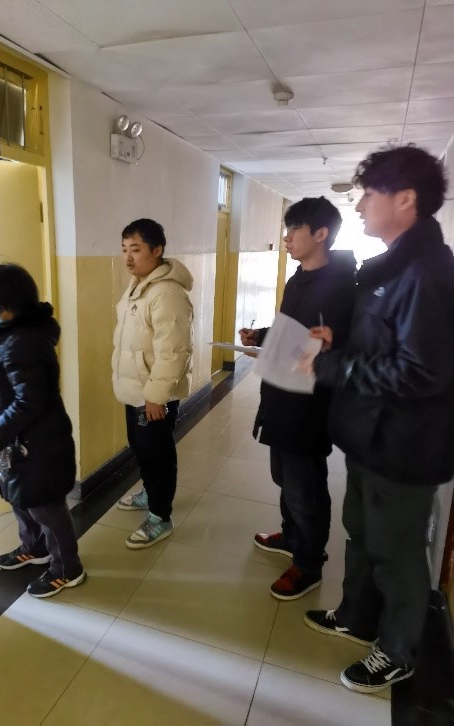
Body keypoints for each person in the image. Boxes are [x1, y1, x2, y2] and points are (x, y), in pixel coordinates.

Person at [303, 145, 454, 694]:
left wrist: (331, 365)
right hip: (371, 434)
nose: (361, 205)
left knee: (396, 551)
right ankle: (356, 616)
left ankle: (398, 650)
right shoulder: (394, 265)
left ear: (406, 199)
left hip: (404, 444)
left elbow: (421, 372)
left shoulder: (427, 273)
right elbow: (388, 344)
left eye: (369, 194)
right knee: (362, 532)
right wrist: (339, 340)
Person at [239, 197, 356, 600]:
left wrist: (328, 346)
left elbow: (340, 347)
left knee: (305, 485)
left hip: (309, 403)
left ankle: (308, 563)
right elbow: (294, 330)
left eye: (294, 230)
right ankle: (291, 537)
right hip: (280, 393)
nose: (287, 238)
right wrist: (263, 336)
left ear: (321, 234)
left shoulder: (342, 287)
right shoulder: (297, 279)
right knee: (285, 477)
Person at [0, 263, 85, 598]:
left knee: (45, 507)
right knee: (21, 499)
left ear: (4, 307)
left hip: (38, 443)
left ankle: (67, 568)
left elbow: (29, 401)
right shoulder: (14, 333)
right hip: (18, 440)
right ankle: (35, 548)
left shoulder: (23, 342)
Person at [112, 219, 193, 549]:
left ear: (157, 251)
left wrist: (157, 396)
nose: (128, 257)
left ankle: (161, 517)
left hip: (153, 394)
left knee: (157, 454)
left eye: (136, 249)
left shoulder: (166, 293)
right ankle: (150, 492)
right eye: (124, 250)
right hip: (137, 390)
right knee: (141, 446)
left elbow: (173, 351)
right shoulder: (139, 285)